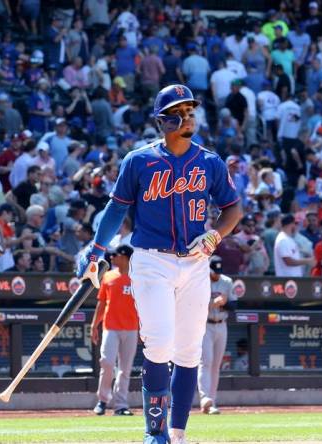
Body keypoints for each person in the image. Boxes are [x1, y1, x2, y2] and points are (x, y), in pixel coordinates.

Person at [76, 84, 242, 444]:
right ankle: (155, 432)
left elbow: (233, 208)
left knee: (188, 350)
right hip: (152, 260)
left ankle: (178, 433)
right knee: (159, 344)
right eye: (179, 112)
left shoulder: (210, 161)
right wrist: (95, 251)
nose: (187, 117)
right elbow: (116, 208)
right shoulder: (139, 160)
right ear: (162, 120)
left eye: (191, 111)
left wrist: (215, 235)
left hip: (196, 262)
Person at [91, 245, 138, 417]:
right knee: (107, 363)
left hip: (131, 328)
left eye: (115, 255)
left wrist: (143, 329)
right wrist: (94, 325)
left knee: (125, 369)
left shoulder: (137, 277)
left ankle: (121, 405)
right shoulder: (108, 276)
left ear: (125, 257)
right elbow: (101, 303)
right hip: (111, 326)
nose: (111, 258)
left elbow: (143, 306)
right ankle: (102, 400)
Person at [198, 256, 236, 415]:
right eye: (215, 272)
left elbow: (234, 305)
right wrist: (212, 303)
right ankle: (205, 398)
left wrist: (225, 303)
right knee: (206, 361)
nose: (217, 275)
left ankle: (212, 401)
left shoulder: (226, 281)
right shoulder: (200, 281)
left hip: (221, 324)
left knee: (215, 365)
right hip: (205, 325)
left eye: (219, 272)